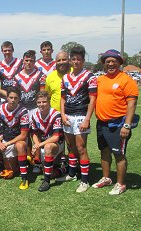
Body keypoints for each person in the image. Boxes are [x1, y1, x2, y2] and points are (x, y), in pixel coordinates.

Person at [92, 49, 138, 195]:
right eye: (107, 62)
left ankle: (121, 184)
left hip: (118, 124)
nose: (110, 64)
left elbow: (132, 104)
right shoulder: (101, 79)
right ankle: (106, 178)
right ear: (104, 64)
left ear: (119, 63)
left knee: (119, 154)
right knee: (104, 152)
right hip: (101, 123)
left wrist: (127, 125)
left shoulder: (126, 80)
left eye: (113, 61)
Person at [57, 46, 97, 193]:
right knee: (71, 146)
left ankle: (85, 180)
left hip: (81, 116)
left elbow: (93, 99)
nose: (76, 62)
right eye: (73, 59)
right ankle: (72, 174)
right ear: (70, 60)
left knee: (81, 148)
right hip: (68, 115)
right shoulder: (66, 77)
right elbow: (62, 98)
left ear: (83, 60)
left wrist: (87, 119)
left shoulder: (89, 76)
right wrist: (62, 115)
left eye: (78, 59)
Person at [12, 50, 46, 173]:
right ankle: (28, 158)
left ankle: (37, 161)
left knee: (36, 133)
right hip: (22, 109)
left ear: (34, 61)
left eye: (31, 60)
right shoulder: (17, 76)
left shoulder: (40, 75)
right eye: (27, 60)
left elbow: (42, 93)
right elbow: (15, 94)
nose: (29, 63)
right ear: (23, 61)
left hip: (35, 108)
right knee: (24, 135)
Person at [0, 87, 30, 189]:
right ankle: (4, 166)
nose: (13, 100)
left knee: (20, 145)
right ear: (6, 98)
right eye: (11, 97)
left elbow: (23, 135)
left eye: (15, 98)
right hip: (5, 139)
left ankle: (24, 178)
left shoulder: (23, 111)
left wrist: (7, 144)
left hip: (17, 140)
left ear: (19, 99)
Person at [31, 91, 64, 192]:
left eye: (44, 102)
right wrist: (36, 144)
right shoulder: (34, 114)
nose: (41, 104)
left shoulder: (56, 114)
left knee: (48, 147)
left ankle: (46, 181)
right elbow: (34, 133)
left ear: (49, 102)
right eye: (39, 102)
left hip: (56, 144)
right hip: (43, 144)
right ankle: (63, 168)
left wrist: (39, 145)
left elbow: (55, 137)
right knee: (49, 171)